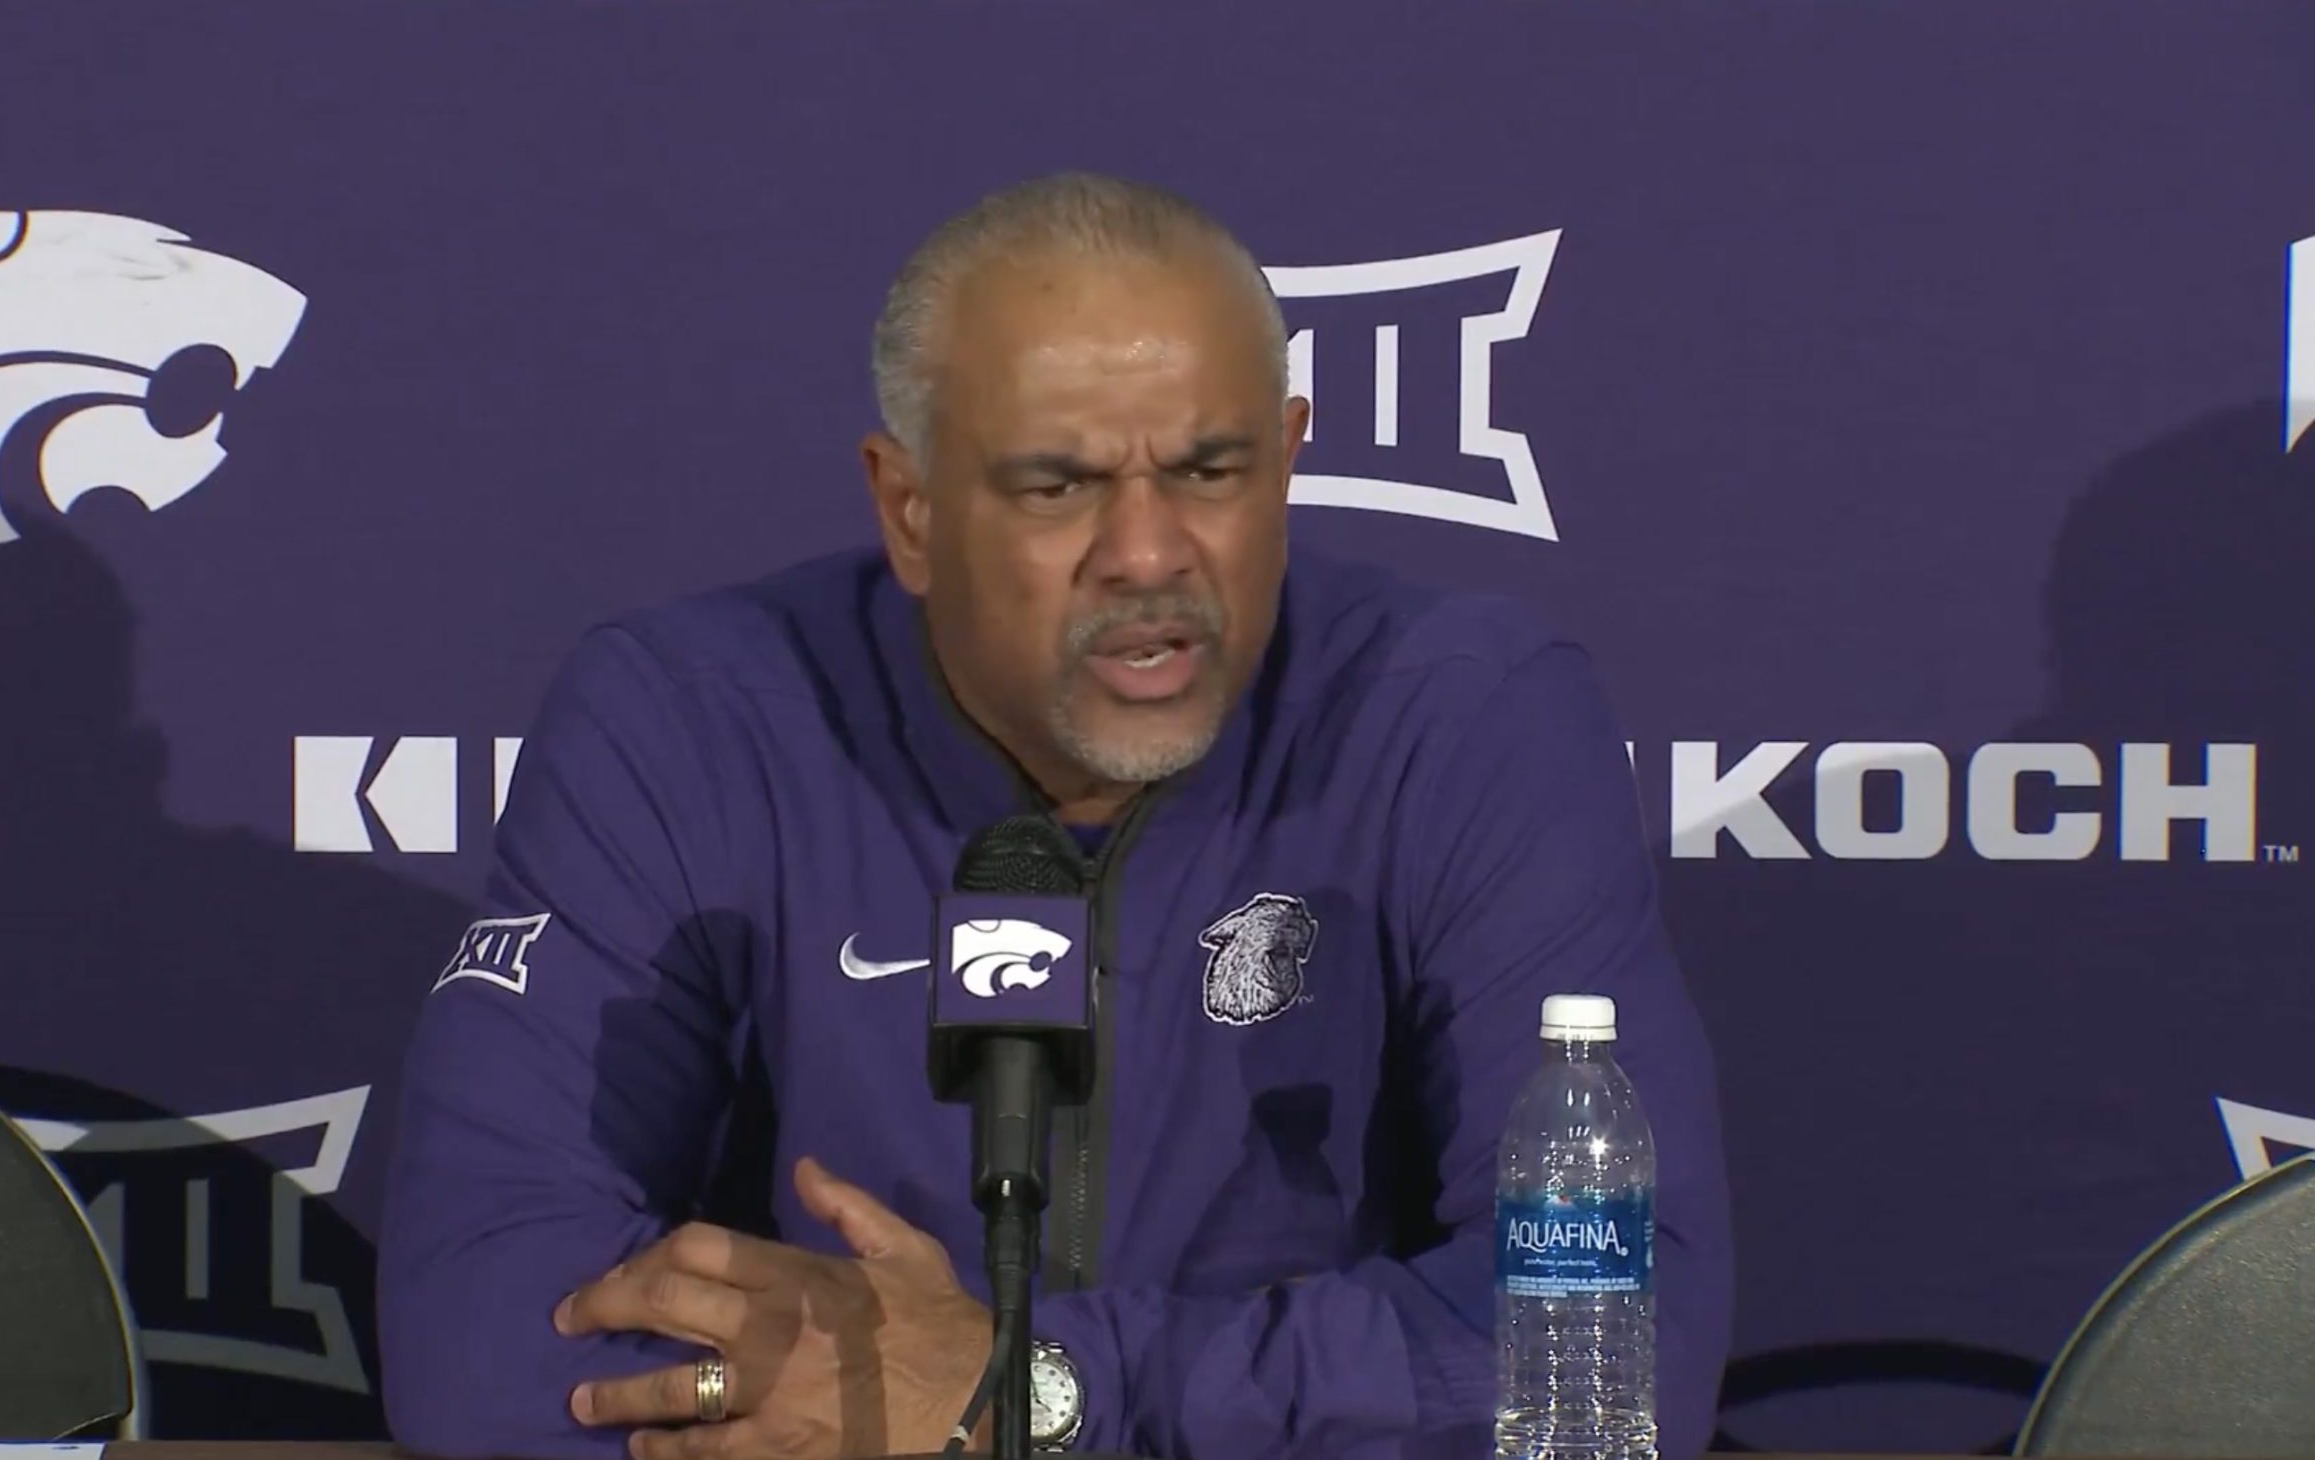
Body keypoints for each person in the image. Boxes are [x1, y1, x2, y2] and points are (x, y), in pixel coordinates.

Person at [376, 171, 1733, 1460]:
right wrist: (820, 1397)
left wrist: (1029, 1392)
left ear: (1292, 458)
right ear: (908, 511)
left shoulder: (1464, 718)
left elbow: (1615, 1346)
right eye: (1058, 486)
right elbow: (476, 1317)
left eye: (1211, 473)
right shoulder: (686, 721)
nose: (1147, 556)